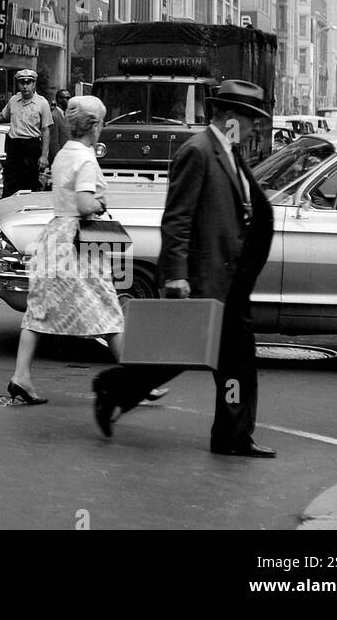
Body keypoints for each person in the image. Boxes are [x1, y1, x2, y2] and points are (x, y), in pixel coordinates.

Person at [92, 79, 278, 458]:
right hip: (207, 278)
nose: (256, 126)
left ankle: (119, 389)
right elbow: (177, 218)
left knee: (211, 359)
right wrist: (176, 274)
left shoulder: (229, 151)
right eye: (250, 118)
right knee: (223, 361)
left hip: (232, 278)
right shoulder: (198, 151)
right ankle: (230, 436)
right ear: (229, 116)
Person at [7, 96, 124, 405]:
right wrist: (101, 204)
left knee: (40, 308)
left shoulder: (62, 155)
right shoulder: (86, 159)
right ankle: (135, 379)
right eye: (101, 122)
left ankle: (21, 375)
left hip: (55, 235)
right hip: (78, 241)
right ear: (95, 126)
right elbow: (85, 203)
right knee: (108, 307)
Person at [0, 70, 53, 196]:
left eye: (28, 83)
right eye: (22, 83)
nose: (25, 86)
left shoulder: (42, 103)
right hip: (14, 147)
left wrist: (44, 156)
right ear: (18, 84)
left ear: (34, 84)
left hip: (31, 147)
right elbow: (2, 116)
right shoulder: (13, 100)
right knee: (10, 184)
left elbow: (45, 130)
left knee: (29, 184)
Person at [51, 89, 72, 153]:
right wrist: (58, 158)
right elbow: (53, 141)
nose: (69, 101)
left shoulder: (65, 115)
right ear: (59, 99)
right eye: (67, 98)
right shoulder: (54, 116)